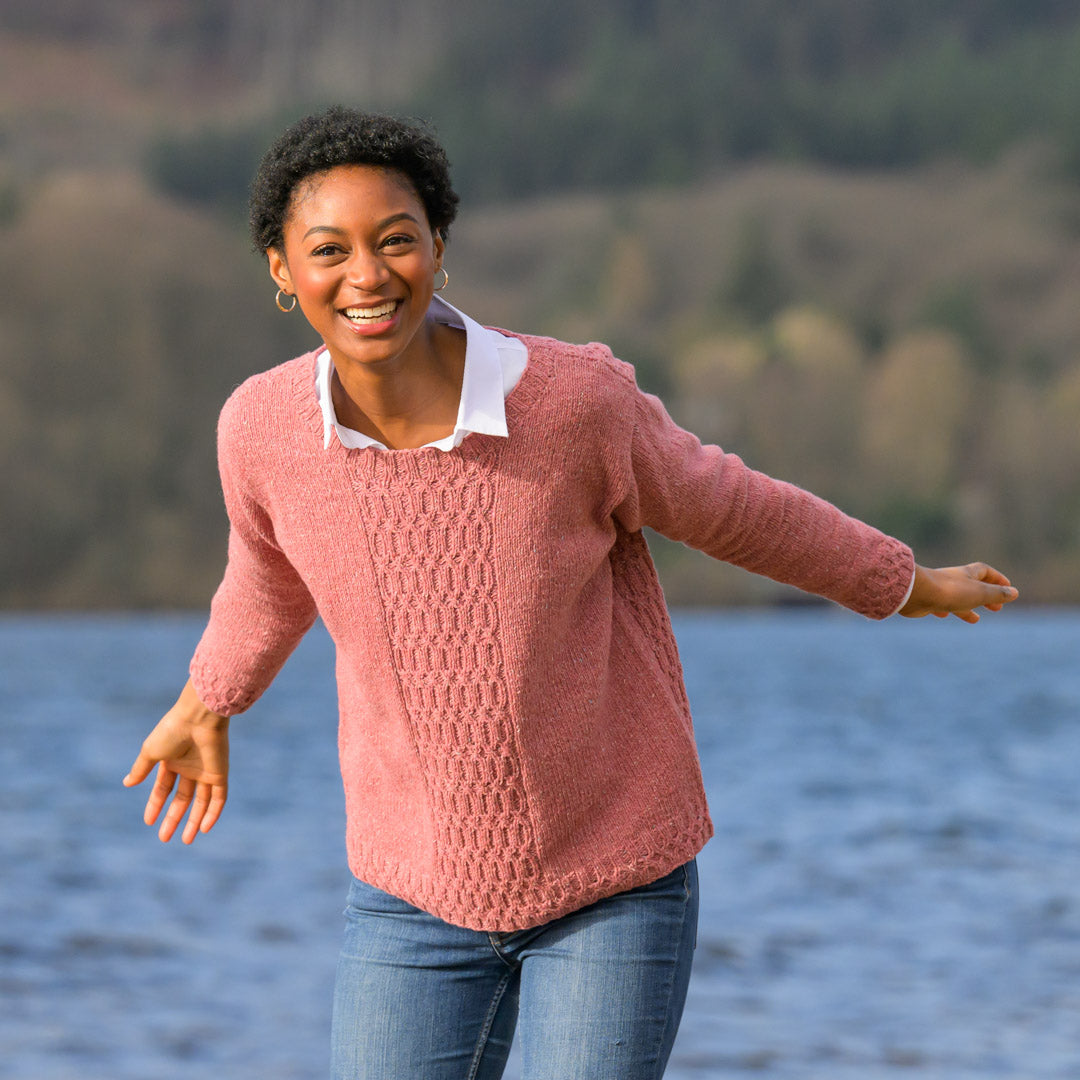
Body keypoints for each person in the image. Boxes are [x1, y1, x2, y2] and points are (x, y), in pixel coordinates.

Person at [123, 106, 1018, 1080]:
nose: (368, 276)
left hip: (613, 878)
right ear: (281, 271)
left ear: (438, 248)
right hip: (408, 893)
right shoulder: (259, 429)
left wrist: (900, 582)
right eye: (328, 250)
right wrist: (207, 700)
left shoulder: (569, 402)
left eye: (396, 241)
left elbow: (728, 503)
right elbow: (269, 574)